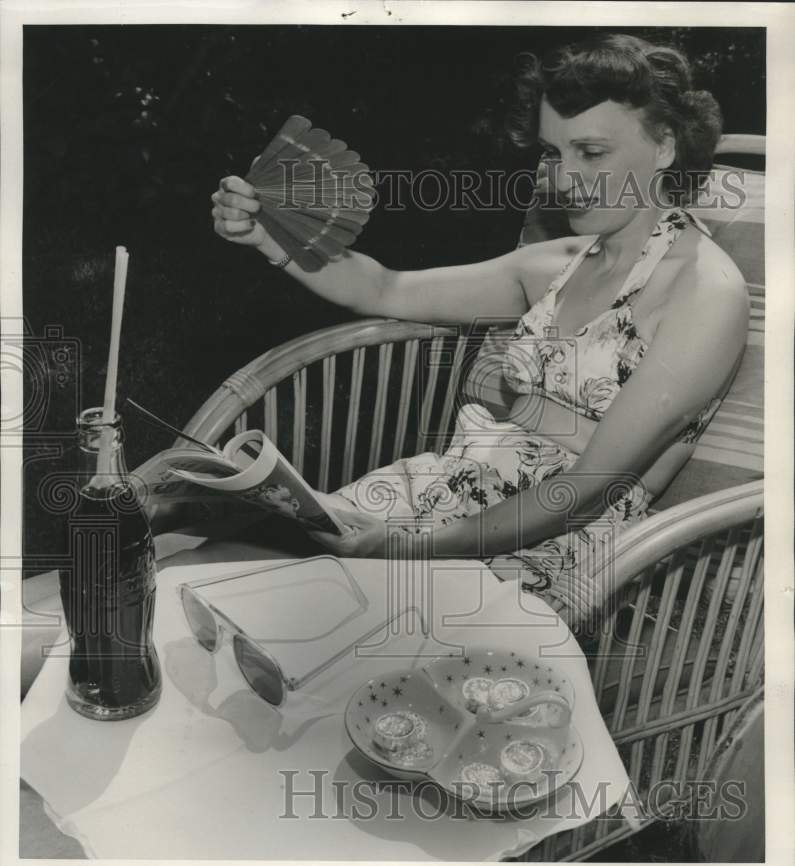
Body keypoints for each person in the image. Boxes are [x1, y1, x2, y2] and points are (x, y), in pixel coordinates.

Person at [211, 33, 748, 617]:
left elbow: (590, 484)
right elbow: (381, 287)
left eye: (591, 153)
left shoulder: (704, 291)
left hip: (551, 544)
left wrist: (410, 548)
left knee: (331, 623)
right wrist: (267, 234)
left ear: (665, 146)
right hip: (447, 489)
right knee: (234, 577)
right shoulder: (555, 264)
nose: (564, 179)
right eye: (552, 153)